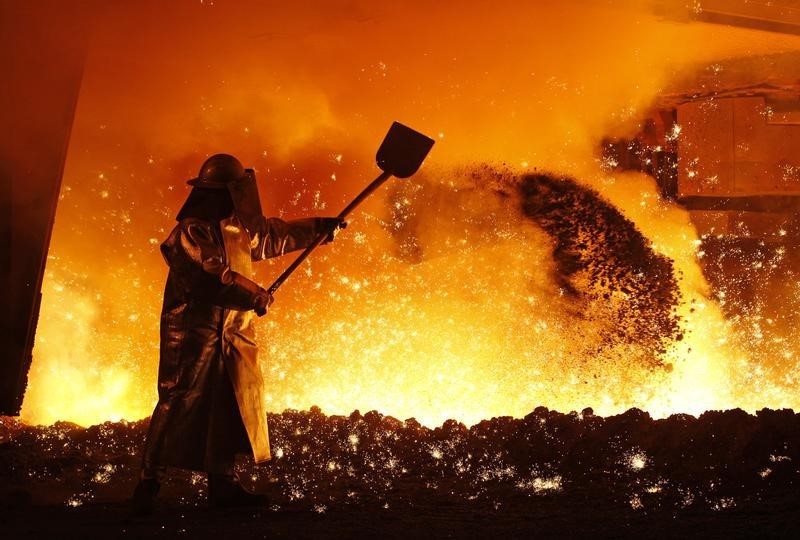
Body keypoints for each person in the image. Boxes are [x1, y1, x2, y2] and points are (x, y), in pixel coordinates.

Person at [132, 154, 343, 513]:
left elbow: (273, 236)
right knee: (179, 399)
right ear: (222, 193)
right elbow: (213, 274)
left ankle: (223, 485)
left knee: (230, 401)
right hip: (193, 330)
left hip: (232, 328)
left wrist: (320, 227)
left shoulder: (235, 229)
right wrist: (254, 293)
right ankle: (147, 485)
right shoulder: (191, 232)